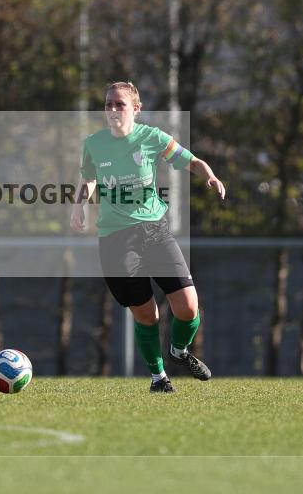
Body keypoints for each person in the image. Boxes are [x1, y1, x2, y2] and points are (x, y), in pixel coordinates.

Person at [70, 82, 225, 393]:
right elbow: (88, 177)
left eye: (120, 104)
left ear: (136, 109)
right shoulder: (94, 144)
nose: (112, 110)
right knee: (146, 313)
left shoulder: (152, 138)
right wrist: (79, 206)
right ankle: (159, 378)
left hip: (155, 231)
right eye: (108, 104)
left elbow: (190, 160)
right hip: (116, 239)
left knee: (188, 308)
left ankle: (179, 351)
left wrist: (208, 173)